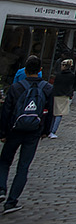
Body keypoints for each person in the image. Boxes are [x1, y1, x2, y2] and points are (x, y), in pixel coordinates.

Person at [0, 57, 53, 213]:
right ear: (40, 69)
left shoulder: (16, 87)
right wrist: (45, 131)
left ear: (25, 69)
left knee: (4, 162)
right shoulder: (47, 88)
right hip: (33, 132)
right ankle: (11, 202)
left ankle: (1, 188)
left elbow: (6, 112)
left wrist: (3, 132)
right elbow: (49, 113)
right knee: (23, 167)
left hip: (14, 130)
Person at [49, 59, 75, 139]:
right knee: (59, 114)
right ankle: (53, 131)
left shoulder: (59, 75)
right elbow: (71, 86)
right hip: (64, 95)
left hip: (56, 94)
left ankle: (50, 129)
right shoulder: (71, 75)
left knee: (54, 113)